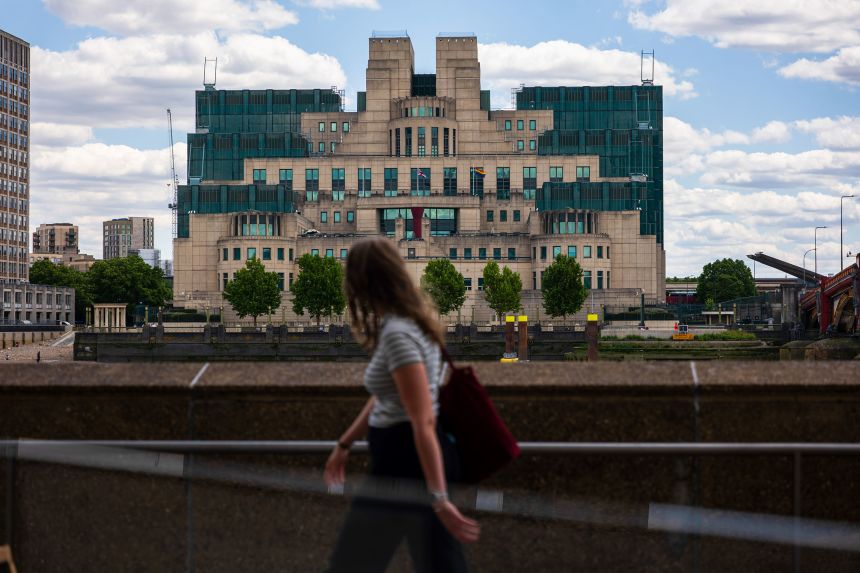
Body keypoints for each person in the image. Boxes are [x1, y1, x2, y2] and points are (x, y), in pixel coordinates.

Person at [324, 237, 479, 573]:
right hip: (409, 460)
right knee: (439, 565)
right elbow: (391, 396)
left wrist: (438, 498)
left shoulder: (397, 333)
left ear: (362, 281)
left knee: (351, 565)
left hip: (404, 463)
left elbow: (421, 419)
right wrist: (345, 443)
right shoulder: (416, 324)